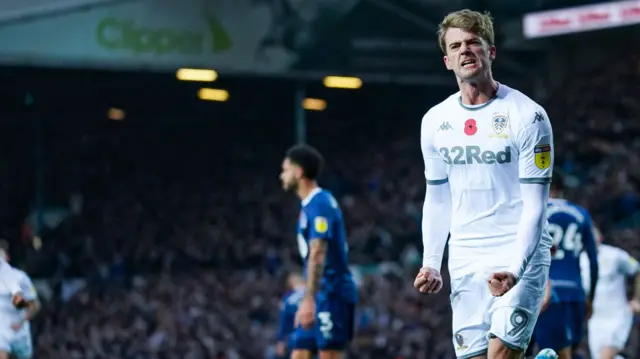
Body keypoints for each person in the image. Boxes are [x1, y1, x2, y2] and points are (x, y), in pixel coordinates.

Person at [412, 9, 555, 359]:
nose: (465, 50)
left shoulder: (528, 116)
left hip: (517, 249)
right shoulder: (435, 121)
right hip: (465, 257)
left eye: (473, 42)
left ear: (490, 52)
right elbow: (437, 197)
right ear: (447, 61)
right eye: (456, 45)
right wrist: (432, 261)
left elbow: (536, 204)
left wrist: (515, 269)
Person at [279, 144, 357, 359]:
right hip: (318, 293)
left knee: (328, 355)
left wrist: (308, 299)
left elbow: (318, 252)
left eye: (285, 169)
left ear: (299, 171)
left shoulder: (320, 203)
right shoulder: (309, 206)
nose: (281, 175)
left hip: (332, 293)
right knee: (299, 353)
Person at [533, 173, 599, 359]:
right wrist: (590, 297)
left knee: (545, 351)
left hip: (545, 291)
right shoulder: (581, 214)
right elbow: (593, 261)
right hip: (575, 293)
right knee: (568, 350)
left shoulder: (536, 210)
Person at [581, 229, 640, 359]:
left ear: (600, 237)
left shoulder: (615, 255)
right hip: (595, 320)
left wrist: (637, 300)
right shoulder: (581, 260)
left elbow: (637, 270)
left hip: (617, 316)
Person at [0, 240, 40, 359]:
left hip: (19, 331)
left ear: (6, 258)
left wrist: (21, 321)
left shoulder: (20, 278)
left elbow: (35, 305)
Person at [275, 273, 316, 359]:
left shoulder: (288, 299)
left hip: (297, 339)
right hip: (316, 336)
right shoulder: (315, 295)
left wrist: (280, 340)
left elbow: (283, 322)